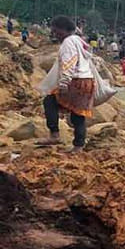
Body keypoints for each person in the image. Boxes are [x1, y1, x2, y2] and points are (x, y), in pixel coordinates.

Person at [35, 16, 95, 152]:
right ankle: (78, 146)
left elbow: (70, 62)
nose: (55, 35)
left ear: (65, 30)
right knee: (78, 114)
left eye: (57, 32)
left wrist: (64, 83)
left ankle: (54, 134)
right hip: (87, 81)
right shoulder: (80, 41)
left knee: (49, 101)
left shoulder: (68, 42)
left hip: (75, 81)